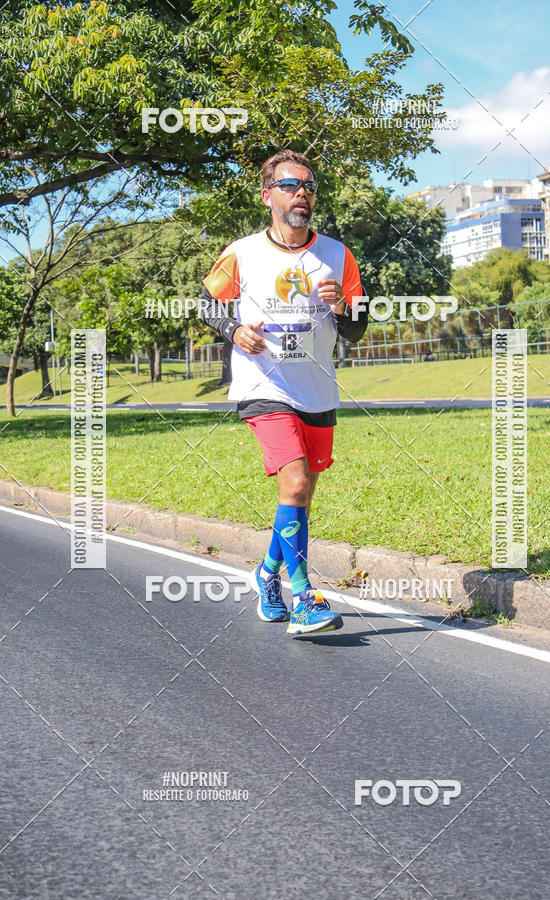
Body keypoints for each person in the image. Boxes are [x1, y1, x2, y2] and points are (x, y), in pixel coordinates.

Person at [200, 150, 368, 636]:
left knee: (300, 495)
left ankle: (267, 574)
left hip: (316, 389)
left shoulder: (338, 254)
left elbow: (356, 331)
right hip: (263, 384)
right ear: (267, 195)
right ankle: (304, 599)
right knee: (293, 483)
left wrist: (343, 309)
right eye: (291, 184)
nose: (302, 193)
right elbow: (206, 303)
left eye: (309, 186)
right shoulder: (244, 252)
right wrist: (233, 329)